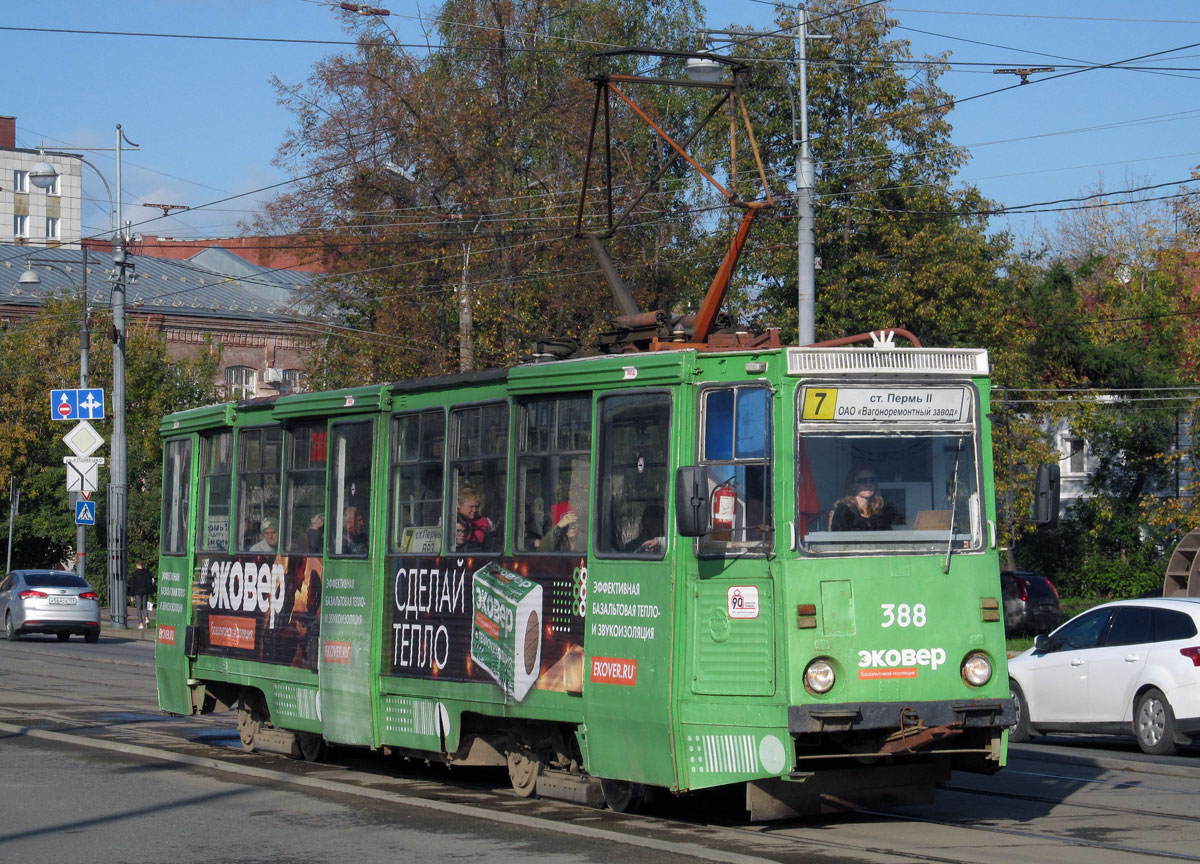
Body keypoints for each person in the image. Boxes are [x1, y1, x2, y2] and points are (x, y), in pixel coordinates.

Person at [831, 467, 897, 531]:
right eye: (862, 481)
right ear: (853, 485)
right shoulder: (843, 510)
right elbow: (838, 538)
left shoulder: (880, 511)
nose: (868, 484)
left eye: (872, 480)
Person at [456, 485, 493, 551]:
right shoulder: (449, 521)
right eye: (471, 506)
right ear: (459, 505)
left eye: (477, 507)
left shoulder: (486, 523)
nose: (475, 510)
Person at [129, 560, 154, 629]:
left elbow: (133, 585)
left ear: (137, 565)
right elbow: (150, 583)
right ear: (142, 565)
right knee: (144, 607)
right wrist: (149, 591)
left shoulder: (135, 574)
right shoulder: (147, 572)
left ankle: (140, 624)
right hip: (145, 592)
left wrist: (132, 595)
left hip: (137, 592)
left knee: (139, 608)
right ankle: (147, 619)